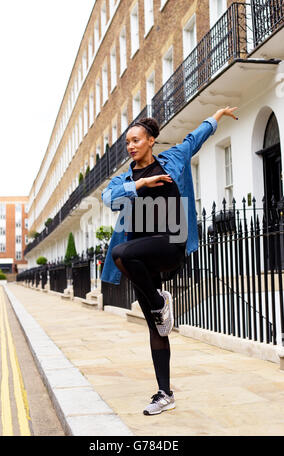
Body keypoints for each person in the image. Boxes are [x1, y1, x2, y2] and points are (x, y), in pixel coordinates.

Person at [101, 106, 238, 415]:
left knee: (120, 253)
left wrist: (217, 115)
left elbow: (196, 137)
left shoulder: (173, 159)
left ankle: (160, 302)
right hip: (141, 260)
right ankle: (165, 392)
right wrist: (139, 185)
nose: (131, 146)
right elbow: (108, 200)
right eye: (128, 143)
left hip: (169, 244)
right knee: (157, 329)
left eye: (136, 140)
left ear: (151, 140)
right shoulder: (124, 180)